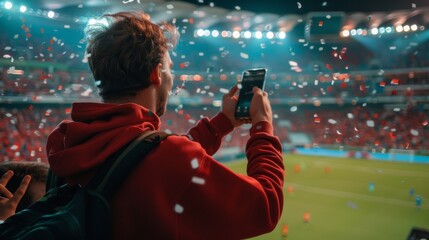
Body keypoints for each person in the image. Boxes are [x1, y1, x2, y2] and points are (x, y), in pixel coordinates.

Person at [46, 11, 284, 239]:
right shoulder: (169, 158)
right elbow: (265, 206)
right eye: (169, 69)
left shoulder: (66, 143)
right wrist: (262, 126)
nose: (171, 80)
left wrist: (222, 124)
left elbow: (138, 158)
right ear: (156, 74)